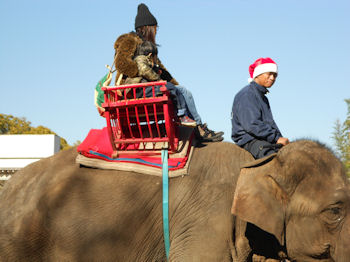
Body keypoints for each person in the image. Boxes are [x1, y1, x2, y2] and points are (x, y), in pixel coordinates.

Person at [112, 3, 223, 142]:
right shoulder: (130, 41)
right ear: (147, 28)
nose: (157, 31)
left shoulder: (148, 48)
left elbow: (162, 70)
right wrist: (143, 73)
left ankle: (198, 127)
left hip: (150, 85)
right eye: (155, 28)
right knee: (174, 90)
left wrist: (172, 83)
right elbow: (121, 63)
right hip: (136, 89)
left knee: (183, 91)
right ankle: (190, 124)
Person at [125, 40, 197, 127]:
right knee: (170, 87)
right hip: (141, 90)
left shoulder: (144, 61)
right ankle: (181, 115)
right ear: (151, 55)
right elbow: (144, 70)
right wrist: (158, 80)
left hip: (144, 89)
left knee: (175, 88)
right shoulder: (140, 59)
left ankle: (183, 115)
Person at [231, 57, 289, 159]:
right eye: (269, 74)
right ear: (258, 74)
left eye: (275, 75)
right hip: (250, 141)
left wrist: (280, 139)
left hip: (262, 139)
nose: (272, 78)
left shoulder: (262, 97)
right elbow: (252, 124)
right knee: (276, 164)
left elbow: (270, 124)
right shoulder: (248, 94)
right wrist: (276, 138)